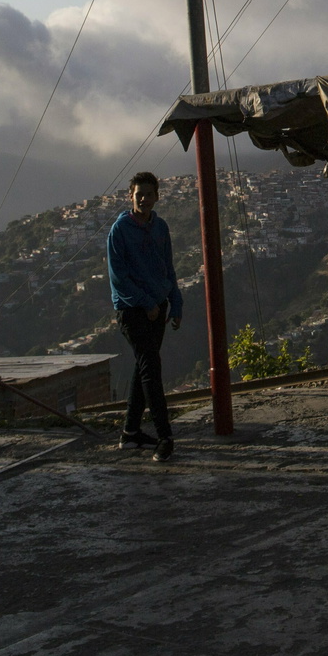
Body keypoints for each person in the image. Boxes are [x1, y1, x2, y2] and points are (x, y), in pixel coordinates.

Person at [108, 171, 182, 461]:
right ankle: (165, 436)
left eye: (149, 194)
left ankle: (130, 433)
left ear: (157, 196)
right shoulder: (120, 230)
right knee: (152, 369)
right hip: (132, 309)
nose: (143, 199)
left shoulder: (160, 227)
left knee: (143, 369)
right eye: (139, 194)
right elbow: (119, 278)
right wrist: (145, 303)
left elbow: (168, 268)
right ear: (131, 196)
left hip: (158, 307)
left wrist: (175, 304)